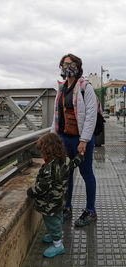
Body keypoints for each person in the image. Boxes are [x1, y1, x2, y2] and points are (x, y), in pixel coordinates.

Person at [51, 53, 98, 227]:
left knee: (86, 174)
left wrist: (84, 140)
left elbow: (91, 115)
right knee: (66, 174)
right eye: (64, 64)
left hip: (80, 139)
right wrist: (53, 137)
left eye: (70, 64)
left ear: (78, 67)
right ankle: (67, 208)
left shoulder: (85, 87)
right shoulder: (61, 87)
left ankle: (90, 211)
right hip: (63, 137)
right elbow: (56, 115)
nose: (67, 67)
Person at [27, 133, 84, 258]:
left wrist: (30, 192)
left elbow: (41, 188)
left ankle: (58, 244)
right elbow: (75, 162)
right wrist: (81, 155)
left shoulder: (50, 169)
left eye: (42, 151)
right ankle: (54, 234)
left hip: (49, 204)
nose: (41, 154)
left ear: (47, 151)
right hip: (60, 200)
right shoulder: (65, 160)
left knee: (52, 221)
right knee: (56, 218)